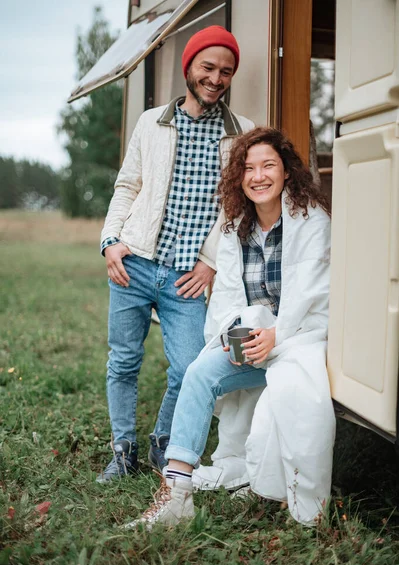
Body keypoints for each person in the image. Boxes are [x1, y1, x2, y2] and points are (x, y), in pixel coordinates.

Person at [125, 127, 335, 527]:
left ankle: (295, 497)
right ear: (239, 177)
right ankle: (176, 494)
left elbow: (317, 296)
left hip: (302, 340)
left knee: (292, 394)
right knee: (199, 373)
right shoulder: (234, 226)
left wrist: (278, 335)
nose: (259, 176)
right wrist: (236, 332)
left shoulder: (312, 222)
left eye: (268, 165)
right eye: (249, 168)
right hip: (255, 339)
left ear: (287, 171)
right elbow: (225, 297)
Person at [97, 26, 254, 483]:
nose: (216, 78)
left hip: (187, 277)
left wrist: (209, 262)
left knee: (188, 368)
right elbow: (127, 187)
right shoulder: (151, 122)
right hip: (135, 263)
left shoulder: (240, 133)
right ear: (188, 68)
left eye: (226, 71)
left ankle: (162, 441)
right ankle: (122, 449)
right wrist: (111, 242)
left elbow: (236, 207)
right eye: (207, 67)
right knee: (123, 360)